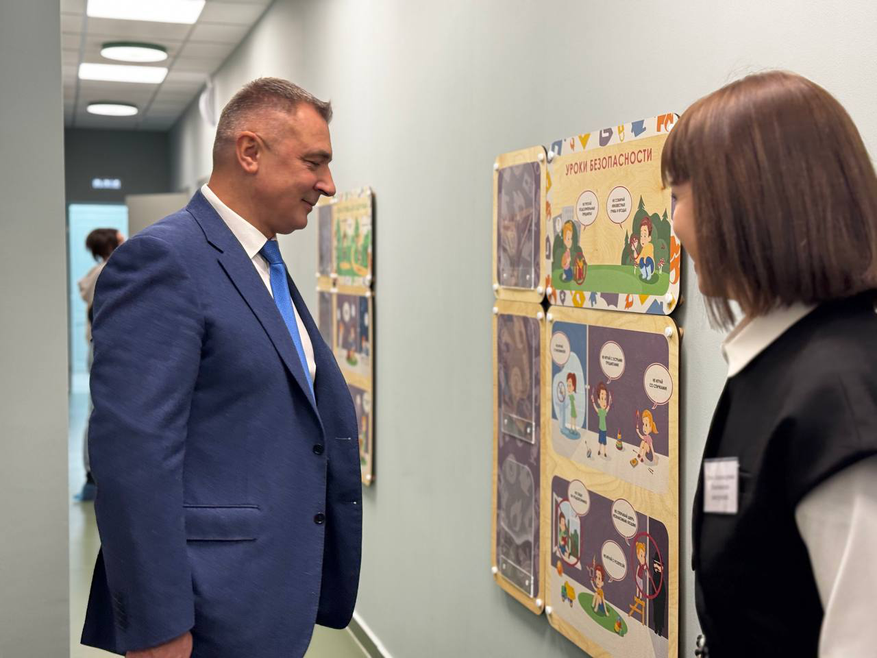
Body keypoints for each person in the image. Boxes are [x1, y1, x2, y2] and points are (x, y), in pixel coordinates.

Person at [81, 78, 362, 657]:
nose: (328, 185)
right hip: (202, 610)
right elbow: (134, 460)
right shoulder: (163, 260)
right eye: (314, 162)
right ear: (249, 152)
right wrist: (157, 627)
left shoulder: (262, 264)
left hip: (267, 595)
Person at [663, 71, 877, 657]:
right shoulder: (776, 364)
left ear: (746, 204)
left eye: (679, 196)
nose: (674, 223)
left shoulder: (842, 399)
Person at [76, 228, 124, 501]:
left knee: (98, 409)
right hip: (103, 348)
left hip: (99, 348)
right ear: (110, 244)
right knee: (98, 411)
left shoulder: (98, 272)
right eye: (120, 238)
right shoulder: (110, 271)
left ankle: (93, 476)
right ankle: (92, 477)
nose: (125, 240)